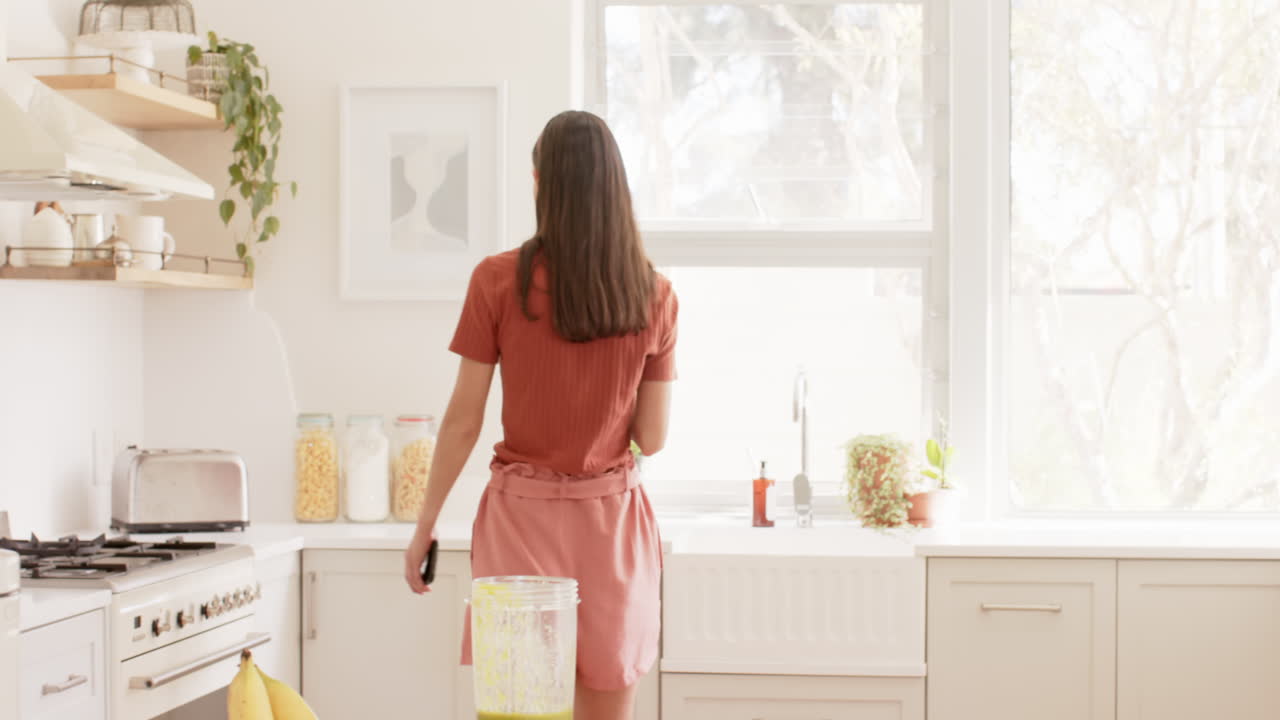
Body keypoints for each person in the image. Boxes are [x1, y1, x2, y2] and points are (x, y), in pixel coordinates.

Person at [403, 110, 677, 720]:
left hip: (520, 524)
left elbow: (463, 422)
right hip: (612, 531)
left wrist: (426, 523)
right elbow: (651, 438)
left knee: (520, 713)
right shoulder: (655, 295)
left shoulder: (497, 281)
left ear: (538, 182)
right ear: (616, 186)